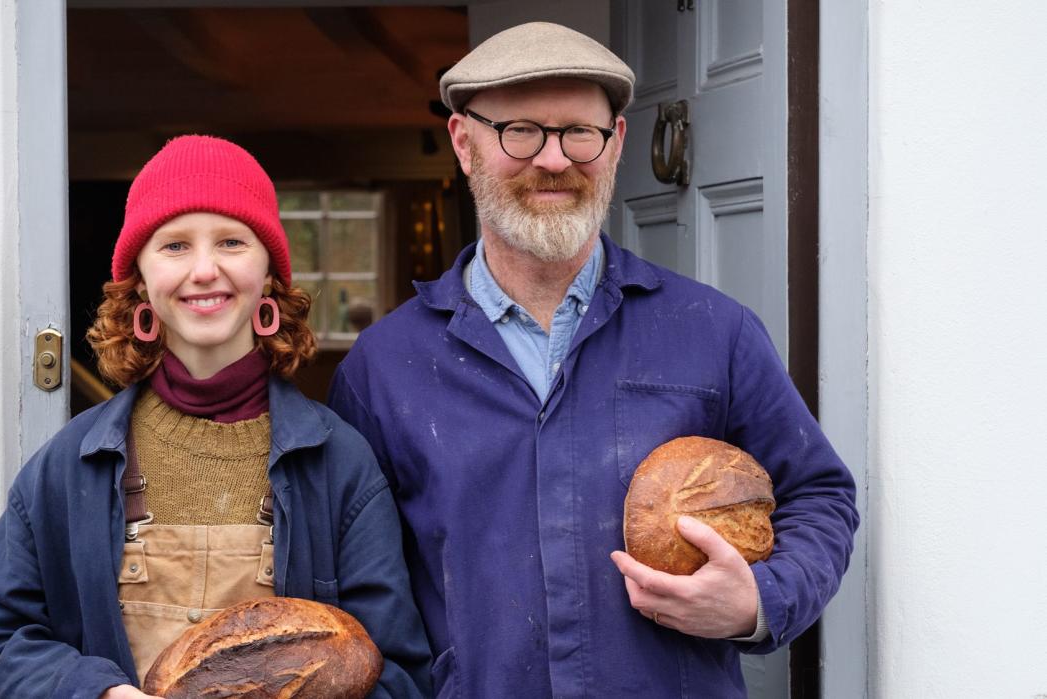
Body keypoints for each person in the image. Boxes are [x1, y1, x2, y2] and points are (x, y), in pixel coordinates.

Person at [327, 22, 859, 697]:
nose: (554, 160)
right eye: (519, 130)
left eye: (581, 132)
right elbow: (356, 585)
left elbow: (819, 494)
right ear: (464, 142)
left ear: (617, 144)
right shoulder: (384, 368)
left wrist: (759, 599)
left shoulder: (713, 332)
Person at [0, 135, 431, 699]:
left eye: (231, 241)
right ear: (139, 280)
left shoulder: (339, 465)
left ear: (269, 275)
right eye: (175, 246)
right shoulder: (72, 463)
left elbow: (398, 670)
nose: (205, 270)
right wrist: (98, 694)